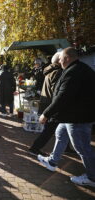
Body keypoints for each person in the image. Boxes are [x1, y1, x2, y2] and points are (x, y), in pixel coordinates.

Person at [38, 47, 95, 187]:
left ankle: (92, 177)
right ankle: (52, 161)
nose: (59, 60)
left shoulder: (73, 72)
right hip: (73, 115)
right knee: (60, 132)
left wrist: (46, 113)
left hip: (78, 117)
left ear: (67, 58)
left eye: (61, 58)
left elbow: (63, 97)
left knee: (82, 147)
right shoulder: (80, 69)